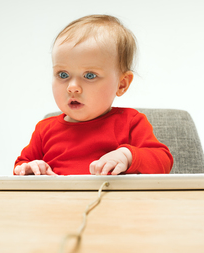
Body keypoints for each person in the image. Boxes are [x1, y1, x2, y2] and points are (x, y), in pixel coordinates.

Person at [14, 14, 173, 176]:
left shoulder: (131, 122)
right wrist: (30, 168)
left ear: (122, 84)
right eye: (63, 75)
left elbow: (163, 163)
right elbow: (20, 168)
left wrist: (127, 156)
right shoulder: (44, 130)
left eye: (89, 75)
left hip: (112, 200)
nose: (72, 87)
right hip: (59, 200)